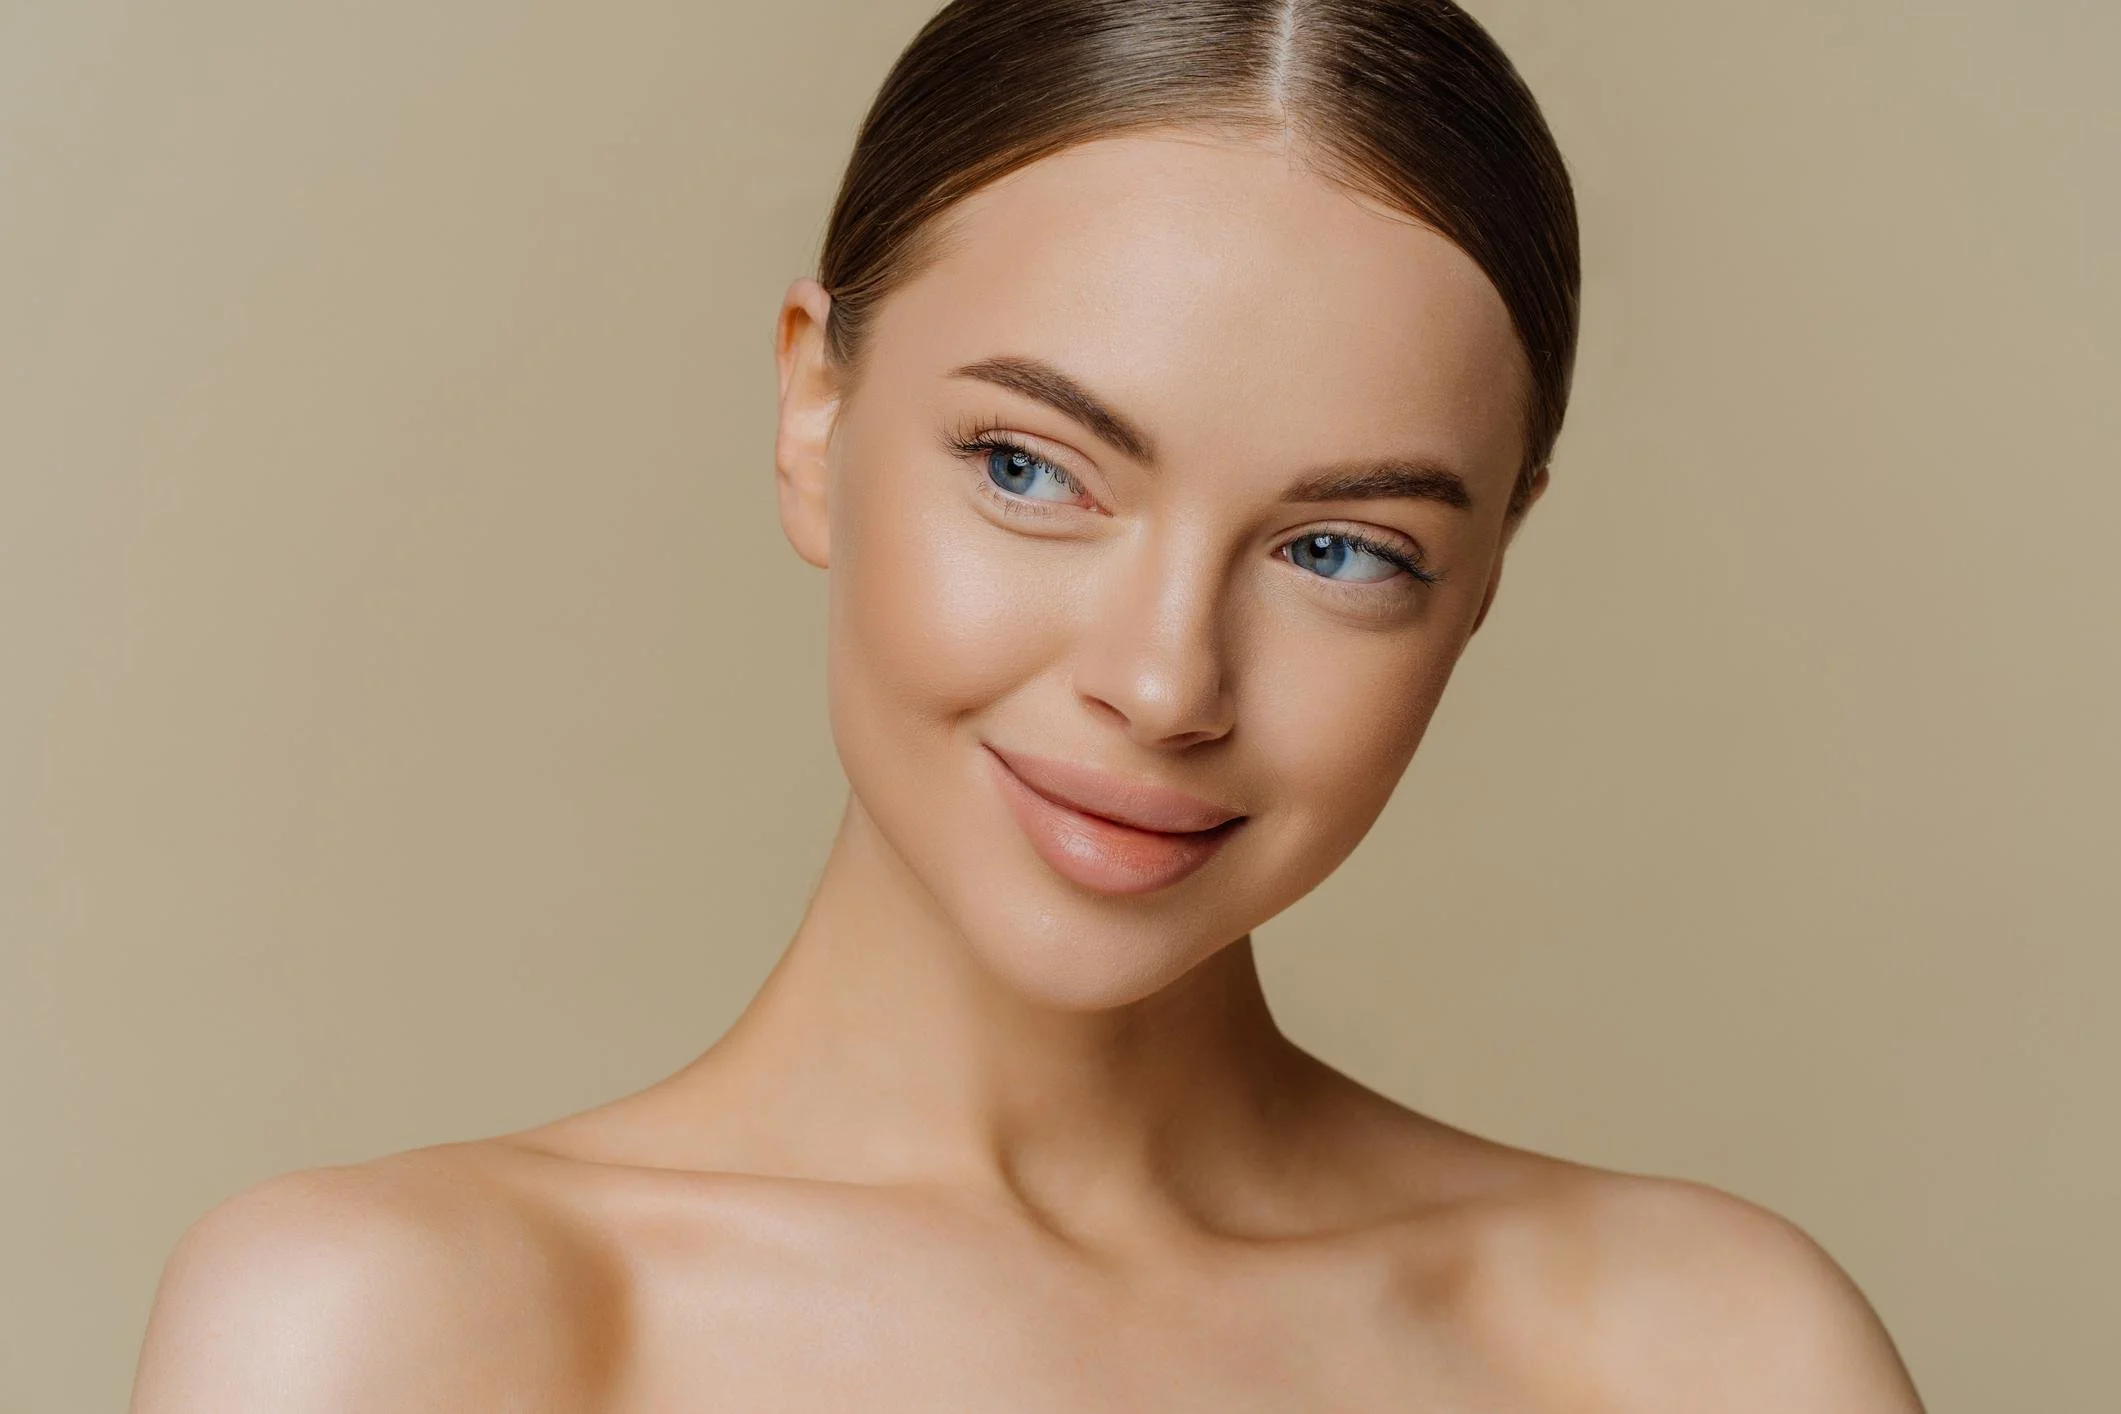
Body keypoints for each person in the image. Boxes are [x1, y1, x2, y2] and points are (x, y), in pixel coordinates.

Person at [130, 1, 1926, 1408]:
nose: (1161, 682)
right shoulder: (392, 1333)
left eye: (1342, 552)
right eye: (1029, 466)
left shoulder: (1710, 1359)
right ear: (813, 420)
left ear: (1488, 575)